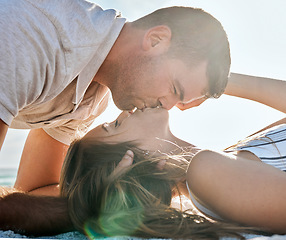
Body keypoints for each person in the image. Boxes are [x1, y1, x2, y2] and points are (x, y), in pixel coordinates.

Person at [0, 74, 285, 238]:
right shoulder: (206, 172)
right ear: (129, 161)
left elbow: (39, 194)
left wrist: (215, 82)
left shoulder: (228, 157)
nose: (123, 111)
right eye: (114, 126)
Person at [0, 0, 231, 196]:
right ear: (156, 39)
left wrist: (114, 195)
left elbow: (34, 191)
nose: (166, 107)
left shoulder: (92, 96)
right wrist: (90, 206)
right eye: (174, 88)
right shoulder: (33, 40)